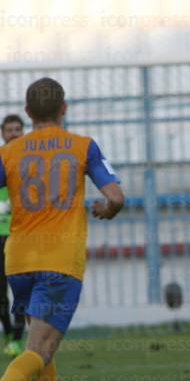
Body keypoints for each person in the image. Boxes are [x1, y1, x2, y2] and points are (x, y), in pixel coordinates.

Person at [0, 77, 124, 381]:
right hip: (59, 263)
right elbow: (117, 197)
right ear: (64, 108)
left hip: (18, 262)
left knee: (39, 346)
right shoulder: (83, 146)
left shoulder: (9, 152)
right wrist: (107, 210)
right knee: (40, 349)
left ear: (28, 112)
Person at [0, 115, 26, 357]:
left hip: (21, 235)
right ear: (2, 133)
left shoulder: (29, 162)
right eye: (9, 130)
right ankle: (8, 333)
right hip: (0, 235)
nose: (14, 134)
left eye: (18, 129)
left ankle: (18, 338)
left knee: (20, 287)